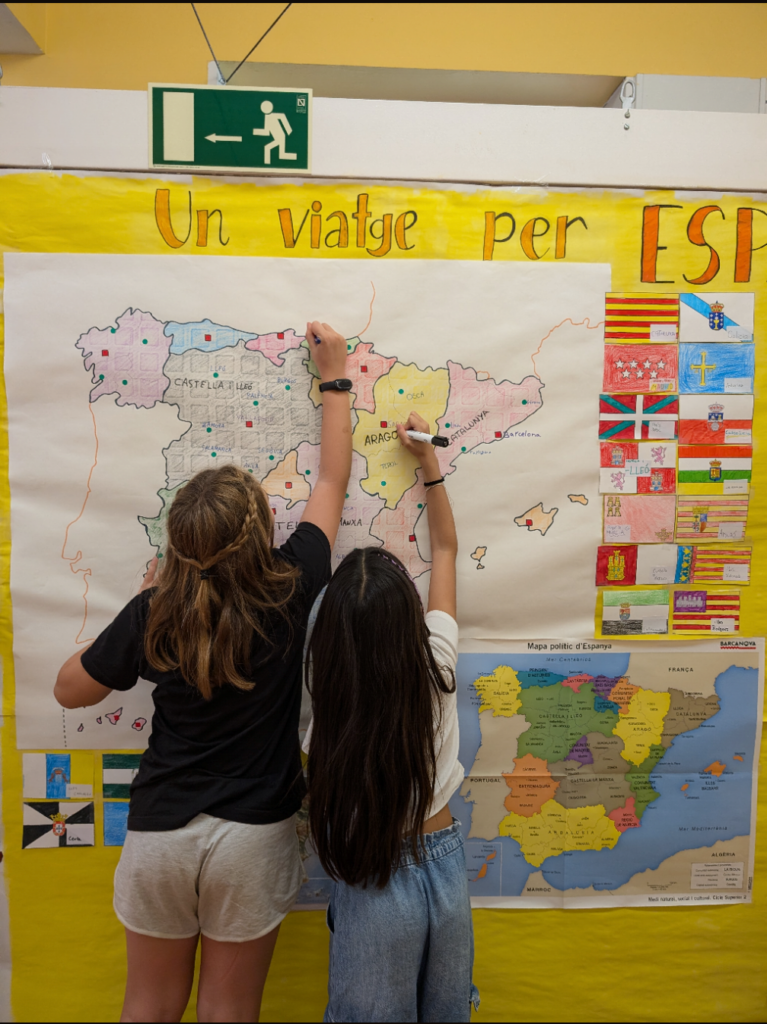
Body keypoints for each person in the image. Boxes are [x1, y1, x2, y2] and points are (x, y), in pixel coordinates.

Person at [54, 321, 352, 1024]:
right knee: (228, 1012)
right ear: (266, 528)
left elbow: (70, 688)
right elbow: (333, 480)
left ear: (178, 545)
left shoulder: (155, 611)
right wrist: (334, 378)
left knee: (148, 1007)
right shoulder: (294, 584)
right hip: (253, 837)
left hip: (161, 832)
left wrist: (147, 599)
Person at [304, 411, 478, 1023]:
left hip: (374, 876)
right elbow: (446, 548)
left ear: (331, 645)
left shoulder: (330, 711)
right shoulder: (438, 662)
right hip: (446, 869)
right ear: (408, 618)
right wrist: (429, 462)